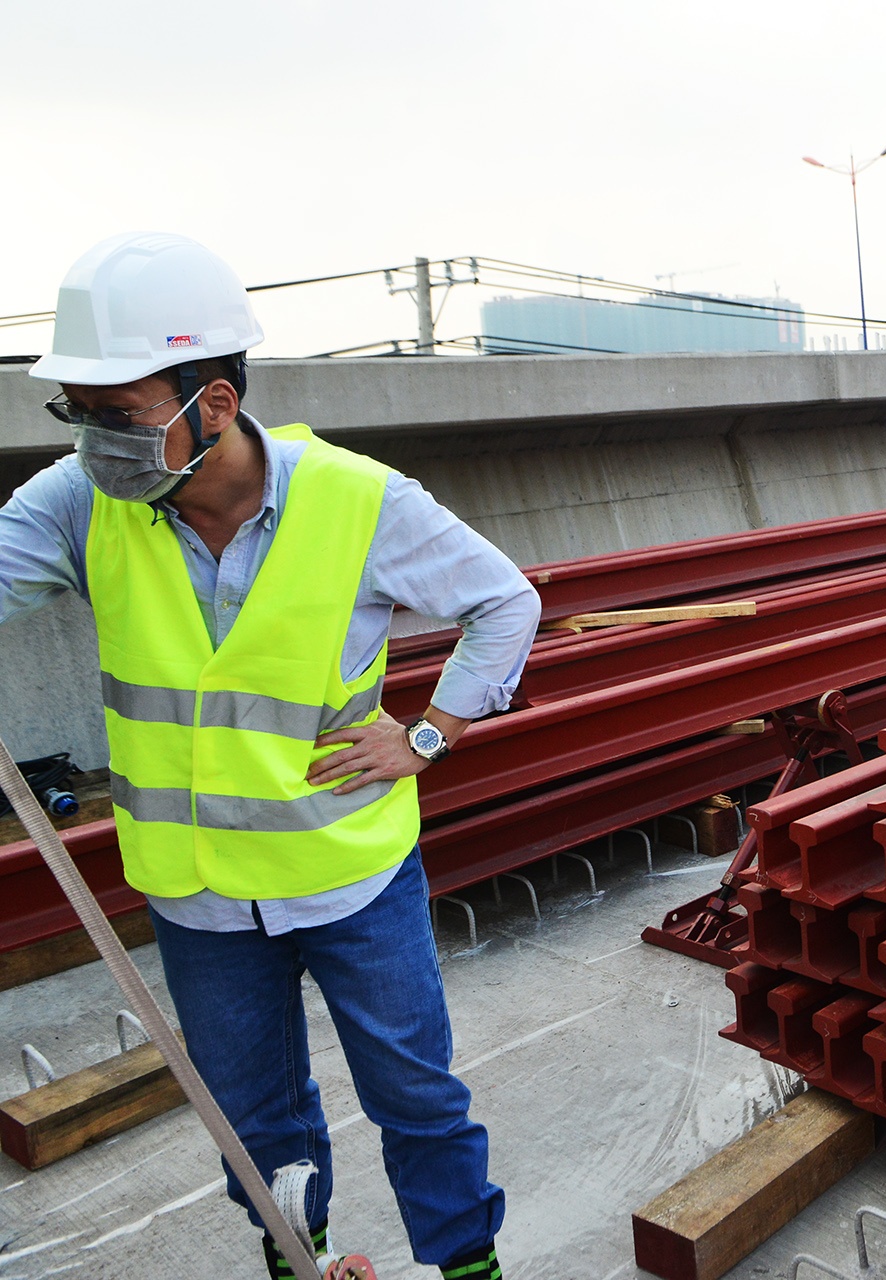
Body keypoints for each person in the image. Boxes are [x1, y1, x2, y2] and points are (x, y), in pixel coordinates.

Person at [0, 232, 540, 1279]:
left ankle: (468, 1264)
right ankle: (301, 1254)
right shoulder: (81, 506)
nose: (93, 441)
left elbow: (503, 601)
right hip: (197, 897)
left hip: (348, 875)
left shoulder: (356, 501)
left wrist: (428, 734)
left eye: (118, 415)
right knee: (252, 1117)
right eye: (77, 413)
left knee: (416, 1094)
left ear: (213, 401)